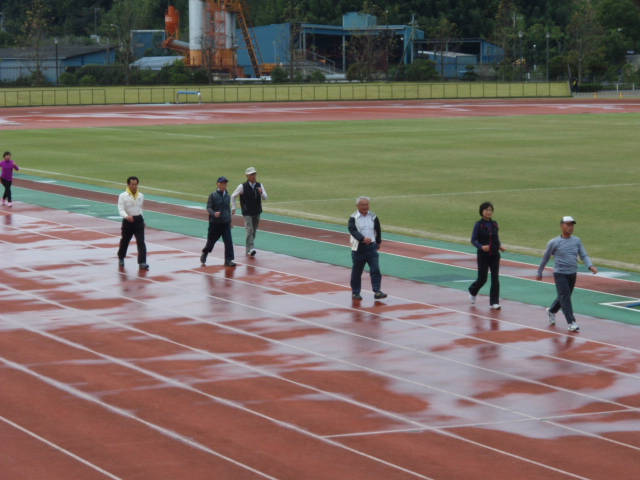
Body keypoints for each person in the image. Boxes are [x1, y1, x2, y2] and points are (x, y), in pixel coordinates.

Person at [536, 216, 598, 332]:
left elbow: (583, 255)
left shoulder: (576, 241)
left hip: (572, 273)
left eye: (572, 225)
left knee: (565, 296)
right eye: (567, 225)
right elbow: (546, 257)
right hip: (560, 274)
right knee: (565, 297)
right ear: (561, 226)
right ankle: (571, 322)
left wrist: (590, 265)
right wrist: (539, 272)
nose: (570, 227)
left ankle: (552, 310)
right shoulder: (554, 242)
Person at [468, 201, 506, 310]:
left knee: (495, 278)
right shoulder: (478, 225)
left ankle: (494, 302)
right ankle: (473, 290)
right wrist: (481, 247)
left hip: (494, 255)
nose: (488, 212)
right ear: (482, 212)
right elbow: (473, 240)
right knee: (482, 279)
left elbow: (495, 238)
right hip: (483, 255)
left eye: (490, 210)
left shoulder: (494, 224)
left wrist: (500, 246)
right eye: (486, 210)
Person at [348, 196, 387, 300]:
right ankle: (355, 293)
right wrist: (362, 239)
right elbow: (352, 230)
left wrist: (378, 242)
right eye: (363, 205)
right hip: (359, 249)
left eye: (367, 205)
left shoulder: (373, 216)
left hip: (371, 248)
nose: (365, 207)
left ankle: (377, 291)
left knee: (375, 269)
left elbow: (377, 229)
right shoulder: (353, 218)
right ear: (357, 206)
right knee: (357, 272)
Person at [231, 167, 268, 256]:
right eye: (251, 174)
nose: (254, 176)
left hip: (257, 211)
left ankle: (248, 249)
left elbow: (265, 198)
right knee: (249, 229)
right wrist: (234, 207)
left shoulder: (259, 185)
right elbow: (233, 196)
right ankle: (251, 248)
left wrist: (261, 192)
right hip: (247, 211)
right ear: (247, 176)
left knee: (253, 231)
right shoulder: (242, 186)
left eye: (254, 174)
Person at [200, 177, 236, 267]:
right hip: (215, 223)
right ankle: (205, 252)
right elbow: (208, 207)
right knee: (211, 241)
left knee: (228, 241)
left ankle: (228, 260)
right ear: (218, 184)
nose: (224, 185)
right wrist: (214, 213)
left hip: (225, 223)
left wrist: (230, 221)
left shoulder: (228, 196)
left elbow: (227, 209)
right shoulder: (213, 195)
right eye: (222, 183)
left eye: (225, 183)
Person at [117, 176, 149, 269]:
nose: (134, 186)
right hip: (128, 221)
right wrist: (126, 216)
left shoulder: (140, 195)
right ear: (128, 185)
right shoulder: (123, 196)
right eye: (132, 184)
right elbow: (121, 209)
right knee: (125, 241)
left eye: (136, 184)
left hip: (138, 221)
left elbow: (140, 209)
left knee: (141, 242)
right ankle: (121, 257)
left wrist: (142, 219)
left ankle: (142, 262)